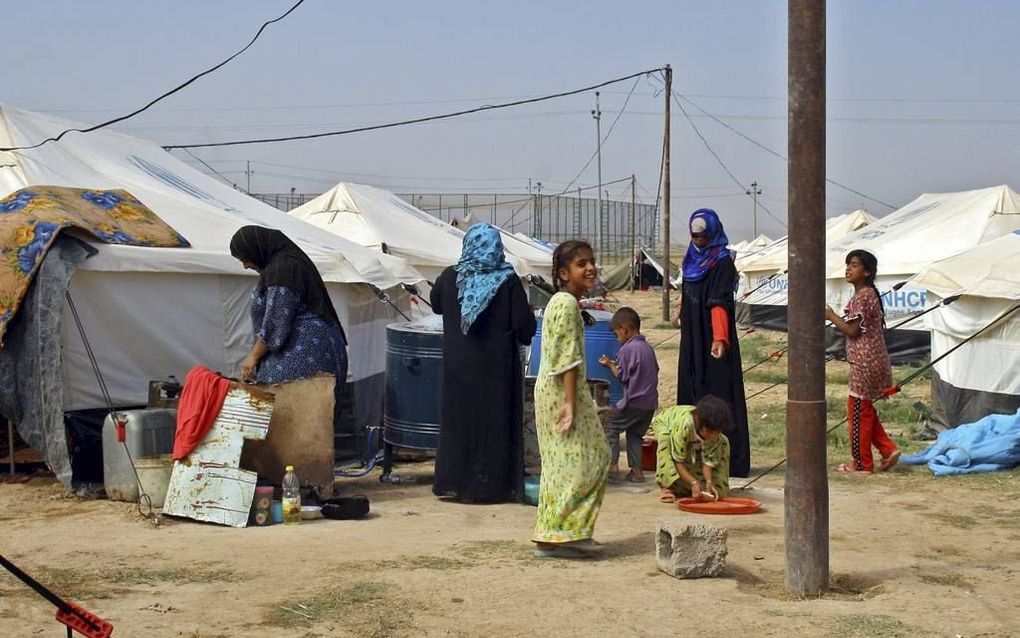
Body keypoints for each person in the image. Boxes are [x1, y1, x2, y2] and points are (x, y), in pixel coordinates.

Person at [430, 223, 537, 503]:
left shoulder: (449, 277)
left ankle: (453, 483)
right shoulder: (508, 281)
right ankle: (489, 487)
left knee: (458, 425)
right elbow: (524, 328)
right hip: (496, 373)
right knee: (494, 425)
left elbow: (436, 305)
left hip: (457, 370)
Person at [532, 240, 611, 559]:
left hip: (559, 390)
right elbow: (566, 356)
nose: (590, 268)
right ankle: (565, 531)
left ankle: (552, 536)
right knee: (592, 456)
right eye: (581, 264)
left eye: (592, 262)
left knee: (561, 465)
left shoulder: (563, 302)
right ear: (564, 273)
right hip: (560, 392)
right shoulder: (564, 303)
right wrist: (569, 401)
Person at [228, 225, 349, 415]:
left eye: (245, 258)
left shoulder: (283, 270)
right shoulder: (286, 264)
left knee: (284, 418)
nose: (245, 265)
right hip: (314, 352)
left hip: (305, 358)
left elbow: (276, 322)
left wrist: (253, 357)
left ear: (256, 249)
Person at [673, 208, 750, 478]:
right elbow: (688, 288)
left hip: (712, 338)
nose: (699, 241)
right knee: (691, 385)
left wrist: (719, 337)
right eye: (694, 236)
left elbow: (719, 301)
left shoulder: (722, 262)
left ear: (713, 232)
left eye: (703, 236)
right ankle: (688, 456)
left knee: (717, 390)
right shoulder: (690, 258)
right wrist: (681, 310)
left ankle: (725, 460)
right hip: (691, 336)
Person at [825, 249, 901, 474]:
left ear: (867, 272)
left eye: (855, 265)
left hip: (865, 361)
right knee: (864, 408)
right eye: (848, 264)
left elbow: (852, 330)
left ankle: (861, 464)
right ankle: (887, 449)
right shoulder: (869, 295)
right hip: (876, 359)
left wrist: (830, 315)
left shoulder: (863, 296)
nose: (849, 268)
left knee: (857, 410)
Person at [597, 307, 658, 483]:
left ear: (624, 329)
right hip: (650, 403)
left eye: (617, 335)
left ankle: (612, 468)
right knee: (635, 434)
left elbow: (623, 377)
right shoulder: (647, 348)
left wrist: (609, 365)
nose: (618, 339)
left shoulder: (626, 349)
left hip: (634, 401)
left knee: (611, 425)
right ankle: (637, 473)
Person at [652, 395, 734, 502]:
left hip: (691, 431)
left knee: (724, 441)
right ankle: (667, 486)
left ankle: (711, 486)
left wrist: (709, 482)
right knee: (665, 439)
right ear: (699, 423)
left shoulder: (713, 430)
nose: (712, 436)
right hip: (665, 423)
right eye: (709, 432)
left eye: (716, 433)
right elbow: (678, 460)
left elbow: (708, 461)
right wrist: (693, 482)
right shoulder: (685, 426)